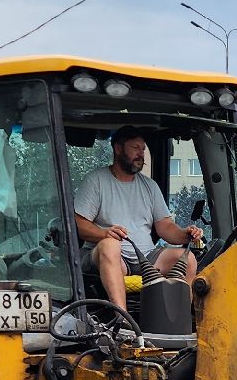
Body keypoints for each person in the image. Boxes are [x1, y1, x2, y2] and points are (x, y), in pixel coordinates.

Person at [72, 126, 204, 294]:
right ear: (118, 149)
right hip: (107, 258)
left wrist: (186, 234)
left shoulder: (149, 186)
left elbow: (165, 226)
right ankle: (122, 318)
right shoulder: (95, 181)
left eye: (142, 149)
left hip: (146, 257)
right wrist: (104, 234)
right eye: (135, 148)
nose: (141, 154)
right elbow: (80, 224)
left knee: (187, 259)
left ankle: (183, 317)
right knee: (110, 246)